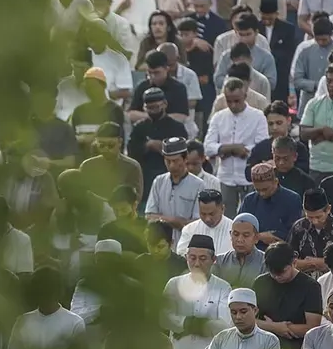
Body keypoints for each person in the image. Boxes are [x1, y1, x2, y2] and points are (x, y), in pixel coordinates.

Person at [203, 78, 268, 210]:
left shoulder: (258, 116)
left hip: (249, 178)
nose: (233, 105)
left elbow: (263, 146)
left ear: (245, 96)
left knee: (250, 216)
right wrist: (231, 148)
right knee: (226, 219)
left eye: (236, 101)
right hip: (225, 177)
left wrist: (244, 150)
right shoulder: (218, 117)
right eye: (229, 101)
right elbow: (208, 146)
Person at [127, 87, 190, 205]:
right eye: (149, 108)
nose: (153, 111)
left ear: (165, 104)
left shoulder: (176, 127)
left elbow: (185, 152)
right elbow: (132, 152)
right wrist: (148, 146)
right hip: (145, 177)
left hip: (170, 175)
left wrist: (163, 147)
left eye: (156, 107)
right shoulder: (139, 128)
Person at [7, 266, 86, 349]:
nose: (45, 298)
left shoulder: (75, 322)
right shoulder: (22, 321)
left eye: (48, 292)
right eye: (40, 293)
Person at [144, 136, 203, 247]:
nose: (171, 165)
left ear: (185, 159)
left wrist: (161, 219)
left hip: (186, 246)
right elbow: (149, 216)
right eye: (168, 161)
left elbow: (196, 223)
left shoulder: (198, 185)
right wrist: (175, 221)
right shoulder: (159, 181)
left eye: (175, 161)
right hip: (161, 246)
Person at [237, 161, 302, 249]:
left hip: (282, 251)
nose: (262, 193)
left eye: (265, 189)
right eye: (258, 190)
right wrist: (260, 236)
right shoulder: (249, 200)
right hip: (253, 251)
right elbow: (239, 228)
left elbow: (296, 234)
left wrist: (275, 236)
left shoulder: (292, 199)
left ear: (275, 182)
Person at [213, 213, 266, 289]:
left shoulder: (266, 263)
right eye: (236, 234)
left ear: (256, 238)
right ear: (230, 235)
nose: (240, 240)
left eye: (246, 235)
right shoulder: (220, 261)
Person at [176, 189, 234, 258]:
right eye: (203, 214)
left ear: (222, 209)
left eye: (212, 214)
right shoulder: (189, 230)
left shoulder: (234, 230)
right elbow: (181, 254)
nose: (207, 219)